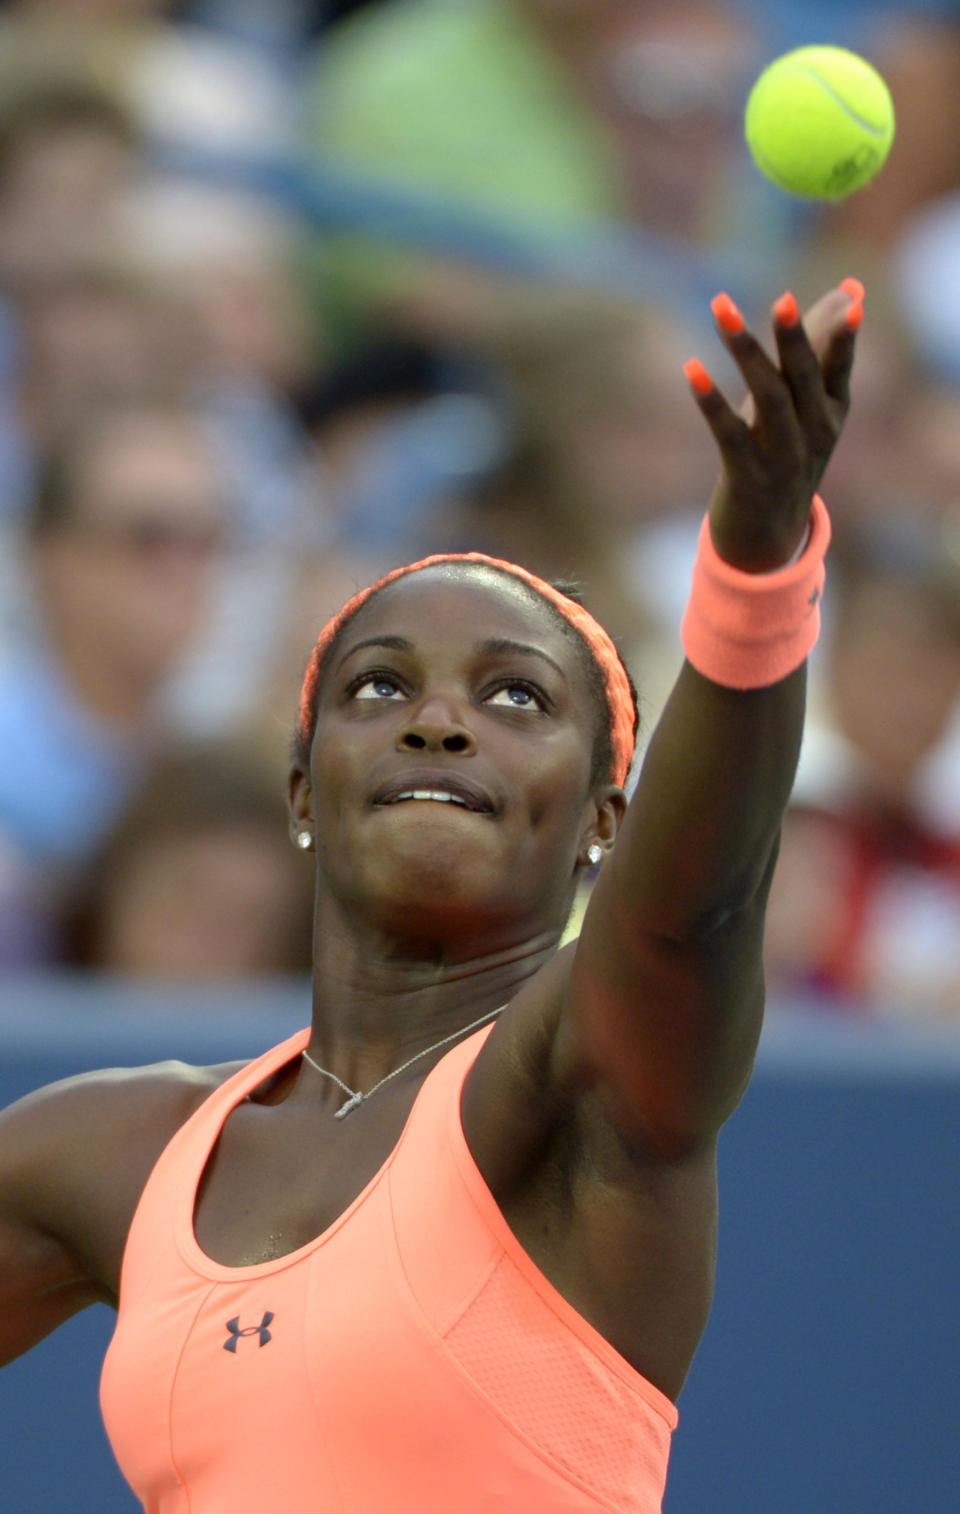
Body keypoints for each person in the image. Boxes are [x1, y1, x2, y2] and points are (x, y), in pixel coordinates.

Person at [0, 277, 861, 1511]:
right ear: (304, 789)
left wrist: (757, 567)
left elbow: (693, 909)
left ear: (604, 820)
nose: (440, 722)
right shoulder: (112, 1151)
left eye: (515, 697)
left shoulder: (580, 1086)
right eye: (379, 688)